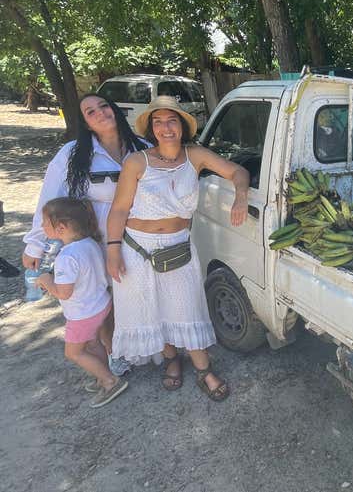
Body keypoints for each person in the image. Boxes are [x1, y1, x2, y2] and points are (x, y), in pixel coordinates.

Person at [106, 95, 249, 401]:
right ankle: (171, 359)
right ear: (151, 128)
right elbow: (119, 210)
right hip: (136, 247)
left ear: (182, 125)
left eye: (171, 120)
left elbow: (239, 172)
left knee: (185, 308)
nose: (165, 128)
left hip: (177, 246)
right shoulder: (136, 162)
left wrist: (240, 195)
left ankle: (203, 370)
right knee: (152, 308)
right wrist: (113, 249)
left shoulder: (195, 156)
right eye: (158, 122)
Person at [22, 93, 148, 375]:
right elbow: (49, 199)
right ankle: (115, 353)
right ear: (85, 123)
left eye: (104, 105)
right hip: (96, 243)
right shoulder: (72, 154)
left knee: (136, 296)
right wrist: (34, 245)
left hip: (139, 239)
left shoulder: (143, 147)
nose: (100, 113)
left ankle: (146, 346)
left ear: (114, 109)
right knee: (103, 302)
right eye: (90, 112)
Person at [35, 197, 128, 408]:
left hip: (82, 314)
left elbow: (64, 293)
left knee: (73, 352)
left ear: (61, 227)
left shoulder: (66, 257)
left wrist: (46, 281)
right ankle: (102, 374)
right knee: (93, 343)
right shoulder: (90, 243)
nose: (41, 226)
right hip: (100, 305)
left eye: (44, 223)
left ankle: (109, 381)